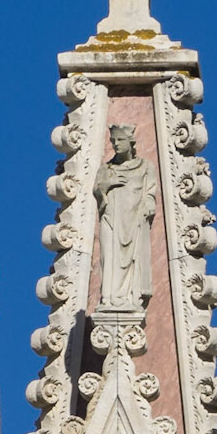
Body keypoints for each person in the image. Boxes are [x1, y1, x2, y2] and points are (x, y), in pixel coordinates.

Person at [94, 124, 156, 308]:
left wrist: (149, 204)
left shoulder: (146, 167)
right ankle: (108, 298)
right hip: (110, 220)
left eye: (120, 140)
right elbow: (97, 191)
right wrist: (107, 184)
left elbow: (150, 193)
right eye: (113, 140)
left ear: (131, 142)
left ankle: (130, 298)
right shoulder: (106, 169)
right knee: (108, 257)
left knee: (132, 260)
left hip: (133, 221)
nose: (116, 144)